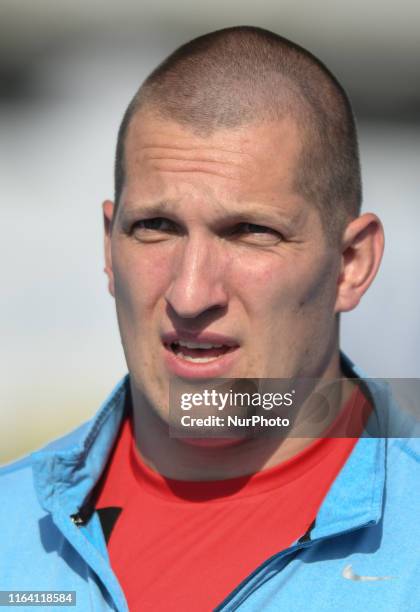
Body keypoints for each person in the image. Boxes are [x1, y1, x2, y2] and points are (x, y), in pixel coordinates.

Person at [1, 26, 419, 612]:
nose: (191, 294)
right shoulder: (11, 532)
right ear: (108, 249)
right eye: (156, 227)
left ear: (350, 264)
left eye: (250, 233)